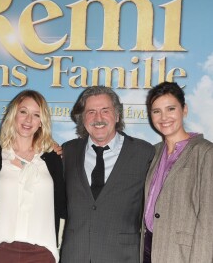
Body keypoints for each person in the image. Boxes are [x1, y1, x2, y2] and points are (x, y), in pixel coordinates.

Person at [60, 86, 155, 263]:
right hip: (75, 255)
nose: (98, 118)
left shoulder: (144, 153)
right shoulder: (67, 151)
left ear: (117, 115)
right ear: (82, 118)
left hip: (122, 257)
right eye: (91, 112)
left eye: (105, 110)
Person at [0, 90, 66, 263]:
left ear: (42, 122)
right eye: (23, 112)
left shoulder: (52, 157)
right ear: (14, 115)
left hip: (43, 253)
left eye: (36, 115)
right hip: (2, 251)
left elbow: (63, 204)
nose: (28, 120)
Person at [141, 81, 213, 263]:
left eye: (171, 109)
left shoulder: (205, 153)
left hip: (182, 254)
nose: (164, 117)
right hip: (148, 248)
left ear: (184, 109)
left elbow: (209, 220)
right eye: (156, 111)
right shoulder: (153, 152)